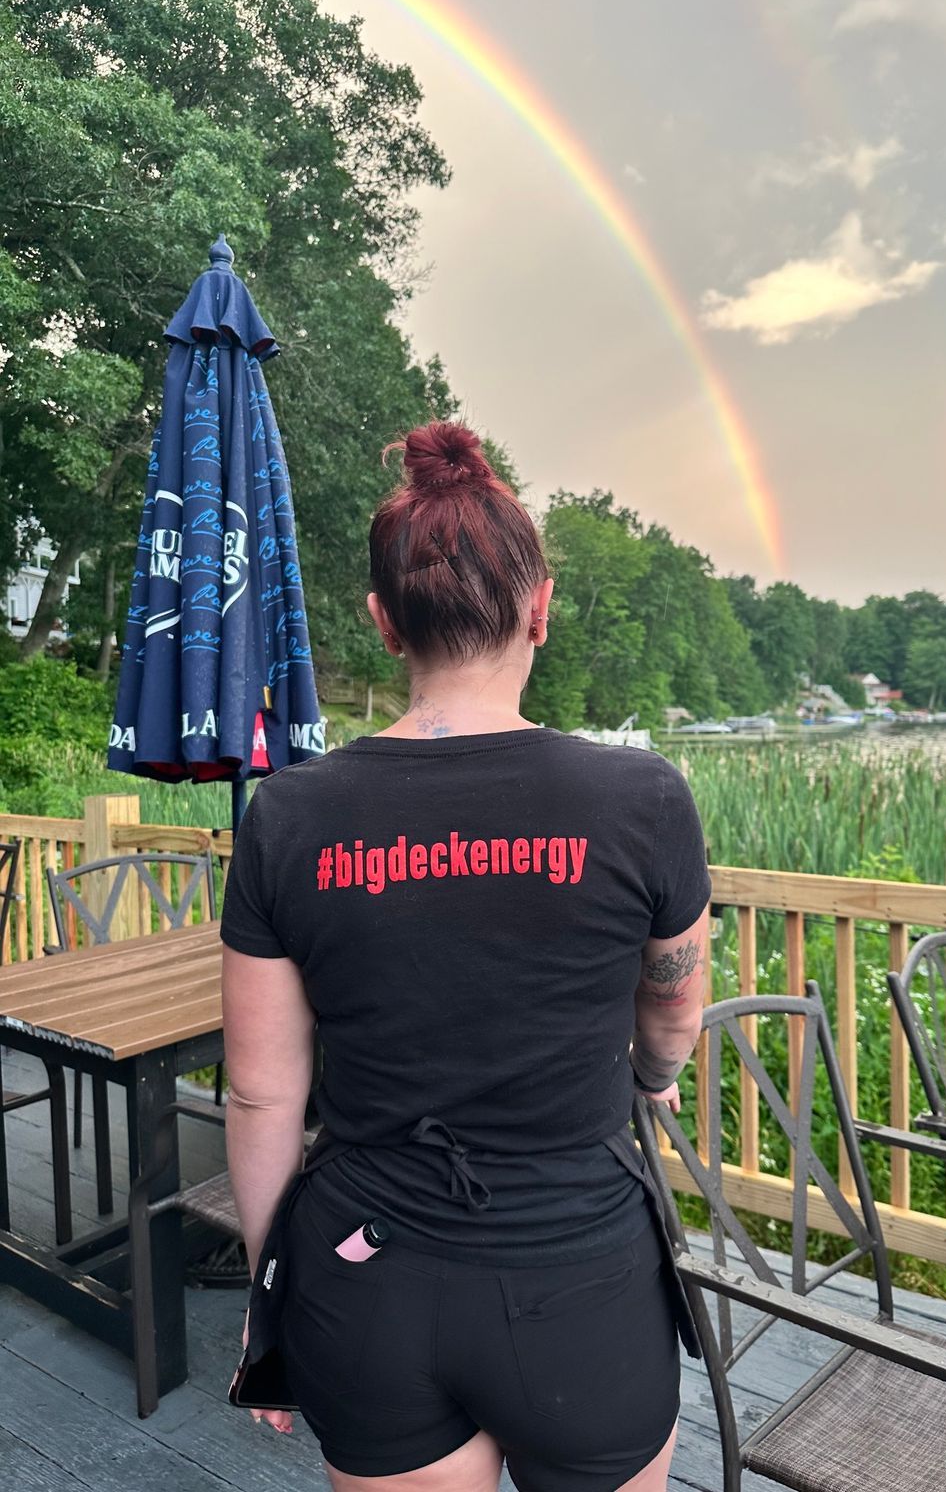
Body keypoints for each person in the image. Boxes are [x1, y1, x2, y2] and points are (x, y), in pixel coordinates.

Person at [221, 420, 711, 1492]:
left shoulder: (289, 813)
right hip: (581, 1281)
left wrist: (274, 1295)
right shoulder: (642, 799)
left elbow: (261, 1096)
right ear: (542, 610)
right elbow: (672, 1014)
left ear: (384, 623)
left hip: (367, 1280)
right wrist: (653, 1076)